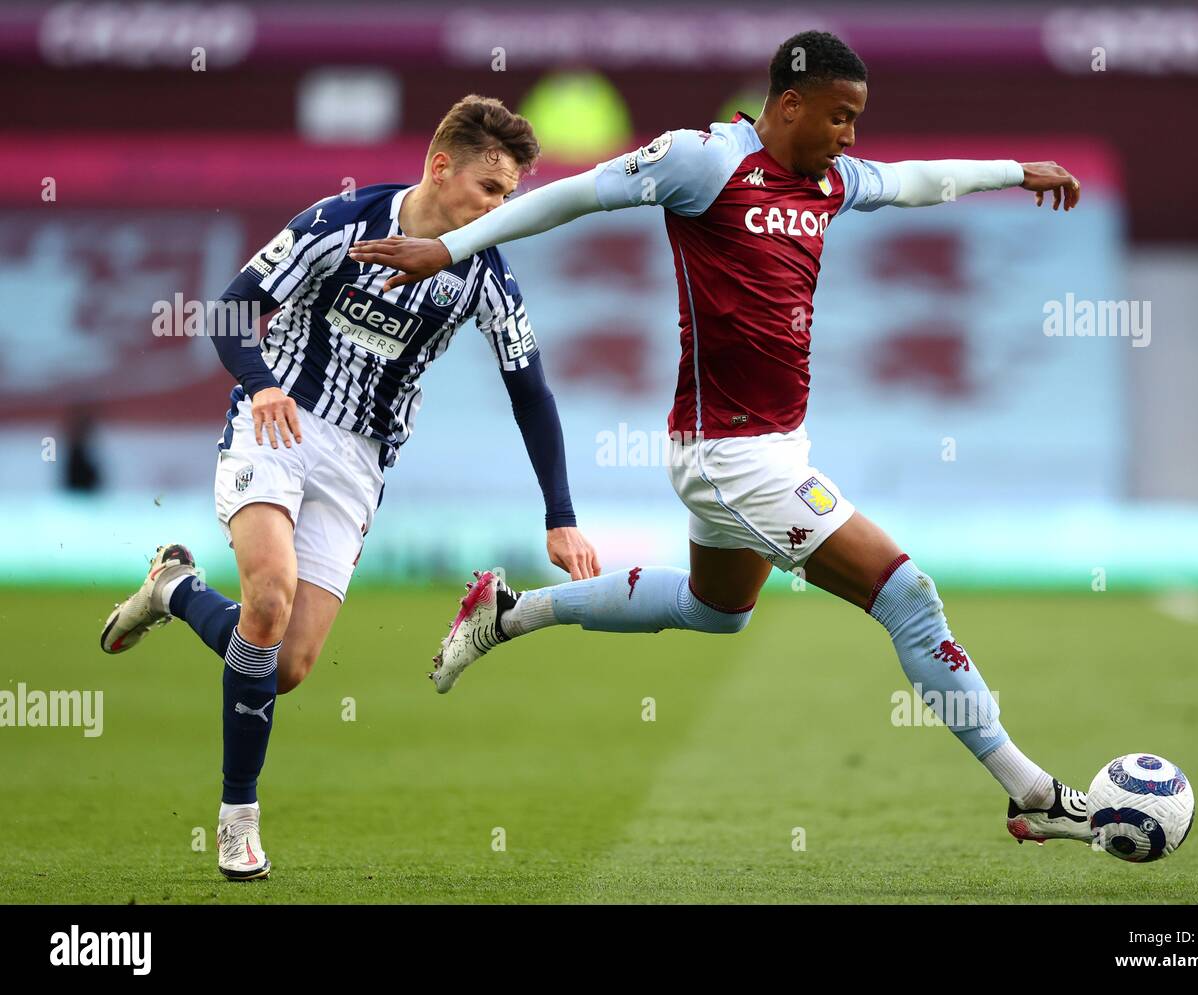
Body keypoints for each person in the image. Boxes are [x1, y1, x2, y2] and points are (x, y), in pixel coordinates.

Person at [348, 33, 1089, 846]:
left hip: (769, 448)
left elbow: (917, 183)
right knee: (909, 596)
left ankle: (510, 612)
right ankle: (1031, 790)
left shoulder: (830, 183)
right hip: (732, 454)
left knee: (717, 609)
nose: (851, 137)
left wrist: (1018, 171)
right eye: (840, 117)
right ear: (791, 105)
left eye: (858, 122)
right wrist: (450, 246)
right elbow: (581, 194)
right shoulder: (704, 162)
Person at [99, 95, 601, 880]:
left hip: (360, 462)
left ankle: (174, 588)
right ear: (441, 168)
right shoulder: (342, 221)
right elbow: (232, 309)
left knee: (288, 663)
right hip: (279, 424)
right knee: (268, 597)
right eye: (492, 191)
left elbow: (530, 388)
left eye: (510, 196)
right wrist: (262, 383)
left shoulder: (485, 270)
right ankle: (238, 819)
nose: (502, 209)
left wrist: (561, 515)